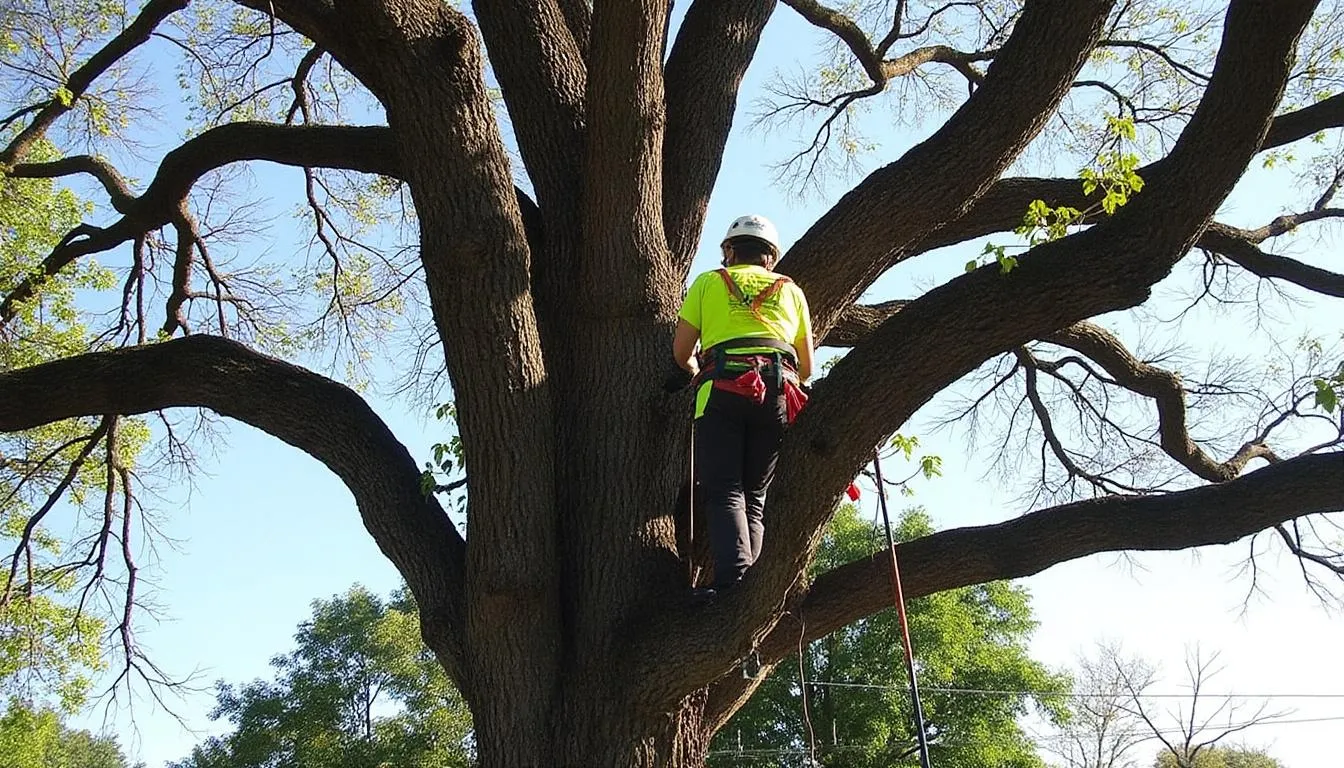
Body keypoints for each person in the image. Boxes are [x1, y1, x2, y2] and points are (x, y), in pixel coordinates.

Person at [673, 214, 814, 599]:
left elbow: (681, 351)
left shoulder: (708, 283)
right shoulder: (791, 291)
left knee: (724, 491)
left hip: (721, 392)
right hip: (778, 394)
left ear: (730, 252)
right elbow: (806, 366)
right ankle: (750, 587)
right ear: (770, 258)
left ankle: (735, 583)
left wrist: (695, 370)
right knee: (754, 495)